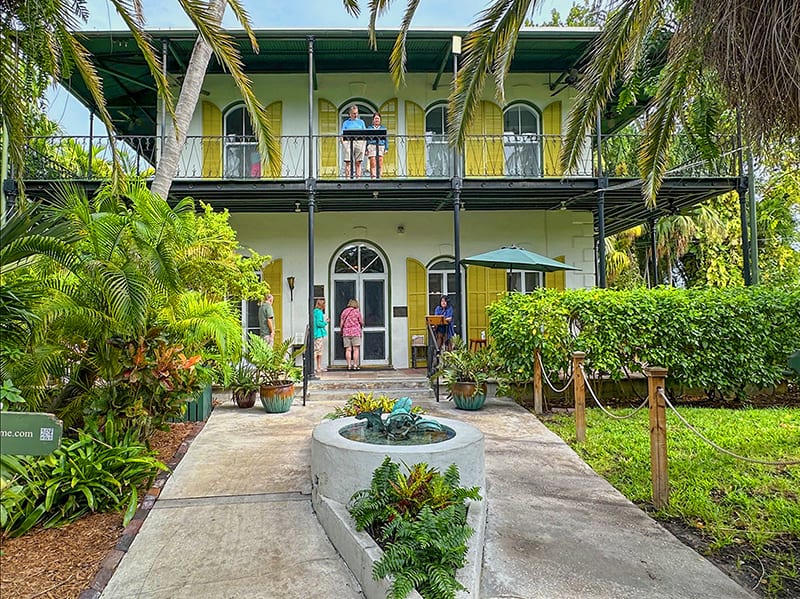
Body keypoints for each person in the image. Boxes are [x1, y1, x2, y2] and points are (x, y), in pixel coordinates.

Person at [341, 104, 366, 179]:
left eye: (357, 113)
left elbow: (365, 134)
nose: (356, 115)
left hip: (359, 142)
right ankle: (347, 179)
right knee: (348, 162)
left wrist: (364, 143)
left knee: (358, 162)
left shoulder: (361, 122)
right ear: (350, 114)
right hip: (348, 142)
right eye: (354, 113)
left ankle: (358, 179)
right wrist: (343, 143)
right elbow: (342, 134)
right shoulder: (346, 122)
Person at [340, 298, 363, 370]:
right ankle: (355, 365)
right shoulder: (357, 312)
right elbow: (361, 322)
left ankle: (349, 365)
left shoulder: (344, 312)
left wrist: (342, 330)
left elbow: (341, 323)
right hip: (355, 332)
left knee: (348, 349)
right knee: (356, 349)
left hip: (346, 332)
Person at [365, 112, 388, 179]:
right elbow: (366, 138)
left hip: (381, 145)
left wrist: (386, 148)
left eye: (378, 118)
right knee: (373, 162)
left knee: (380, 162)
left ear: (380, 120)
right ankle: (373, 178)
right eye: (375, 118)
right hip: (372, 145)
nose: (377, 120)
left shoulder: (383, 128)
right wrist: (366, 149)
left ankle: (379, 178)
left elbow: (386, 139)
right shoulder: (369, 128)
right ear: (373, 120)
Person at [313, 298, 328, 375]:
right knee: (317, 351)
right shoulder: (319, 312)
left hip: (316, 334)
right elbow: (319, 324)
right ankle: (316, 367)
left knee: (318, 351)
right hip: (318, 334)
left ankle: (318, 367)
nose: (325, 305)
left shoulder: (315, 312)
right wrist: (326, 322)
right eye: (324, 304)